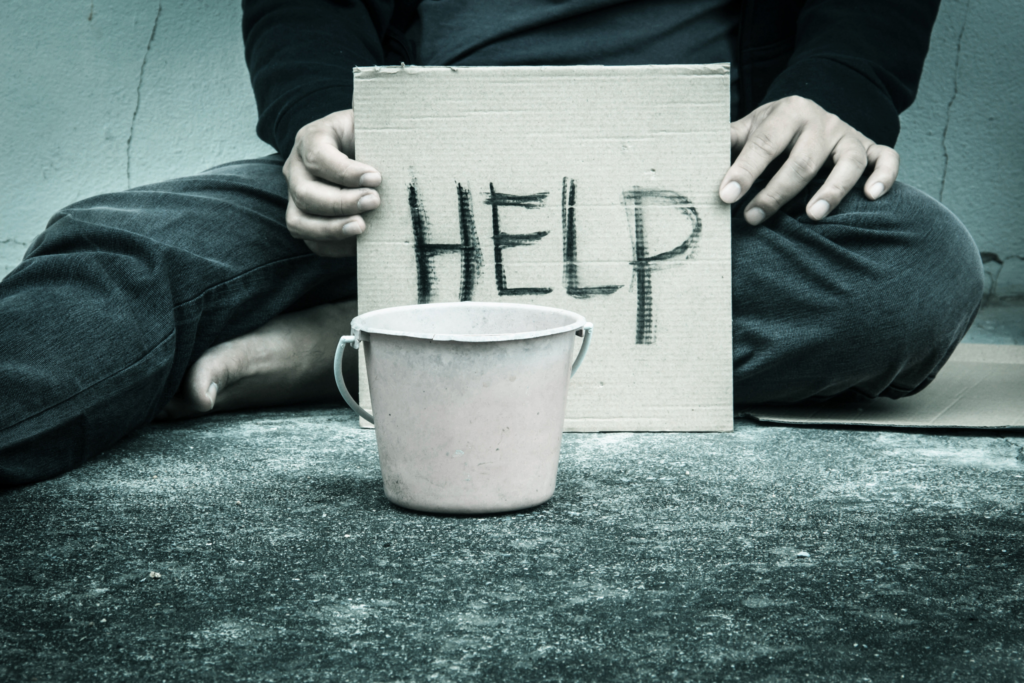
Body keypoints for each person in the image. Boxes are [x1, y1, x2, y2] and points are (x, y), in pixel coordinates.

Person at [0, 0, 983, 486]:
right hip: (416, 169)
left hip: (691, 180)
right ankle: (419, 322)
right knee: (119, 245)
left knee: (911, 272)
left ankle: (360, 341)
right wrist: (317, 118)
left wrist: (840, 92)